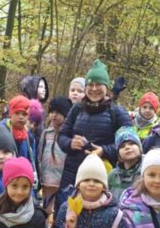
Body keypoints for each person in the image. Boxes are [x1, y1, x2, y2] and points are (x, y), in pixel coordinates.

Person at [55, 59, 131, 210]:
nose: (94, 89)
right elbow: (62, 135)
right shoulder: (77, 109)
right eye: (90, 85)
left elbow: (130, 145)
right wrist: (70, 143)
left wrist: (104, 151)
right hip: (72, 174)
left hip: (102, 176)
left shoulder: (116, 112)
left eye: (98, 85)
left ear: (106, 87)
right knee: (66, 215)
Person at [38, 96, 70, 215]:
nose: (54, 115)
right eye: (51, 112)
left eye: (58, 112)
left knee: (61, 209)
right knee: (46, 209)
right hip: (47, 178)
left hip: (63, 179)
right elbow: (40, 154)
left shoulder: (68, 134)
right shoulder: (46, 133)